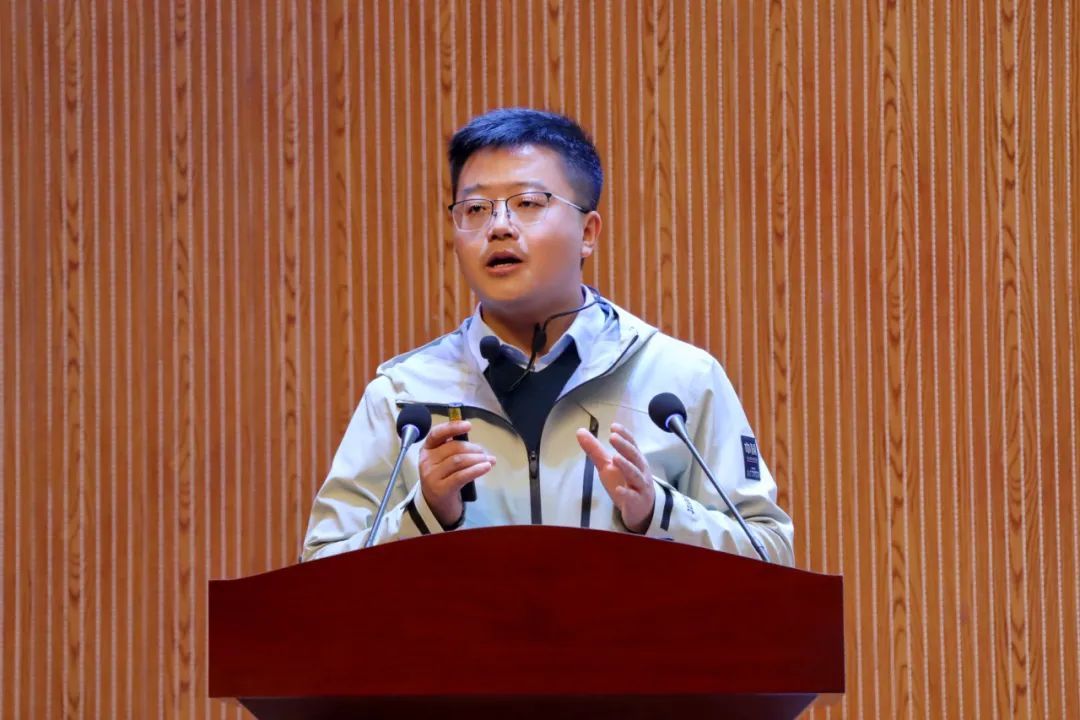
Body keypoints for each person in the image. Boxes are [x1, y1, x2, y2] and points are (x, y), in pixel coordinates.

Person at [301, 108, 794, 565]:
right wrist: (425, 511)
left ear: (588, 233)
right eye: (475, 208)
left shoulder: (679, 381)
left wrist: (657, 512)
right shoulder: (404, 396)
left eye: (527, 203)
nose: (498, 227)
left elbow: (770, 553)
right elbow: (319, 572)